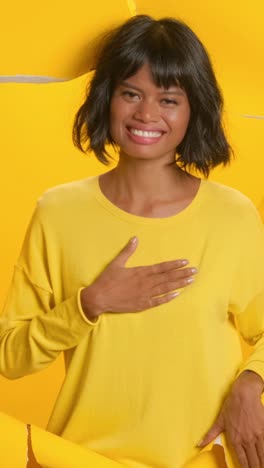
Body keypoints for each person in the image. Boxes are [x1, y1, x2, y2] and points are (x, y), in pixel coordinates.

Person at [1, 14, 264, 468]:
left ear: (193, 110)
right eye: (131, 93)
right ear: (107, 98)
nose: (146, 114)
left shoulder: (232, 217)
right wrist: (88, 304)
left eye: (169, 99)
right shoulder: (58, 212)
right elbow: (10, 356)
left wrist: (251, 381)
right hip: (82, 458)